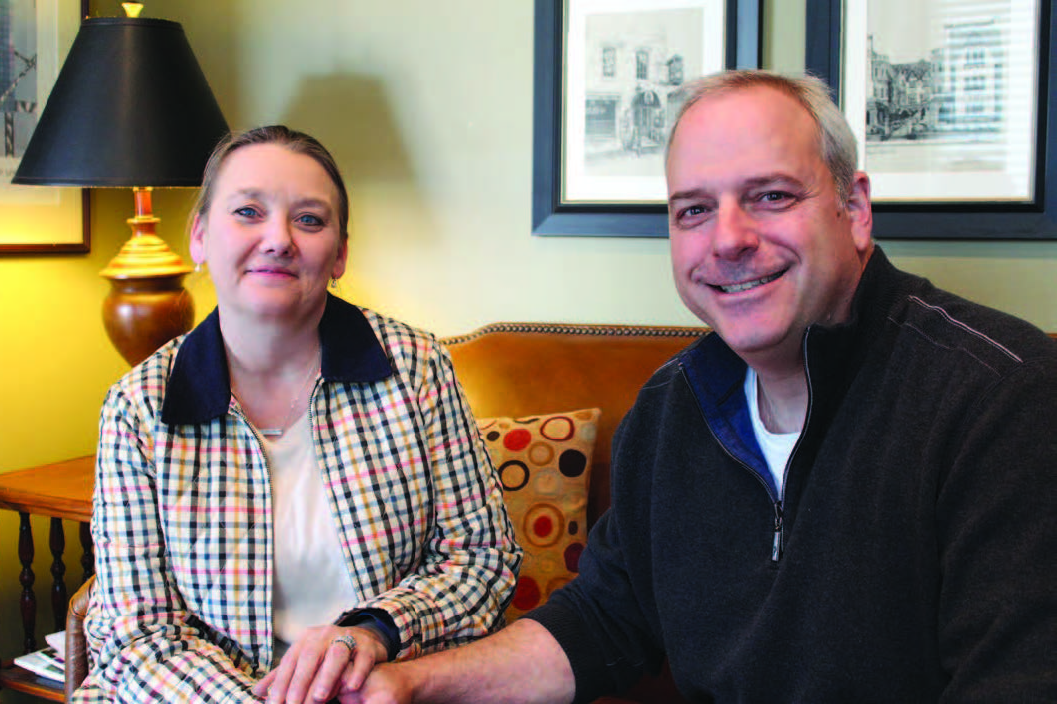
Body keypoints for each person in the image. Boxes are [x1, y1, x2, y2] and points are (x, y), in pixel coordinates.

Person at [343, 70, 1057, 703]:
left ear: (855, 209)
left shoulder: (1001, 400)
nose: (728, 239)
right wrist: (406, 683)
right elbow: (602, 622)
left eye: (771, 196)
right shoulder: (669, 410)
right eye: (693, 210)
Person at [73, 125, 521, 703]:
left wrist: (376, 631)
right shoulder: (138, 407)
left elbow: (484, 559)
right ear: (201, 238)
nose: (278, 239)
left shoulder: (416, 368)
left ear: (339, 254)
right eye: (249, 212)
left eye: (309, 220)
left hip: (386, 688)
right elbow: (139, 634)